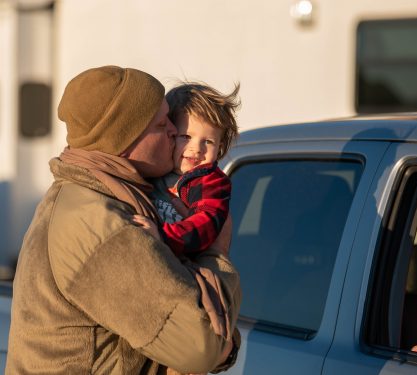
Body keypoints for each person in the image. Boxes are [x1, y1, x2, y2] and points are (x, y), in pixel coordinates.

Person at [6, 66, 241, 375]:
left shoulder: (106, 196)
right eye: (161, 123)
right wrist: (216, 252)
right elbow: (202, 348)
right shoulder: (100, 222)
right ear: (126, 137)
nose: (174, 131)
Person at [133, 82, 240, 258]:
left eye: (208, 142)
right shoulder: (153, 171)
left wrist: (163, 236)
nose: (197, 149)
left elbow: (206, 223)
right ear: (171, 133)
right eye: (186, 137)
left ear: (220, 146)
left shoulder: (211, 182)